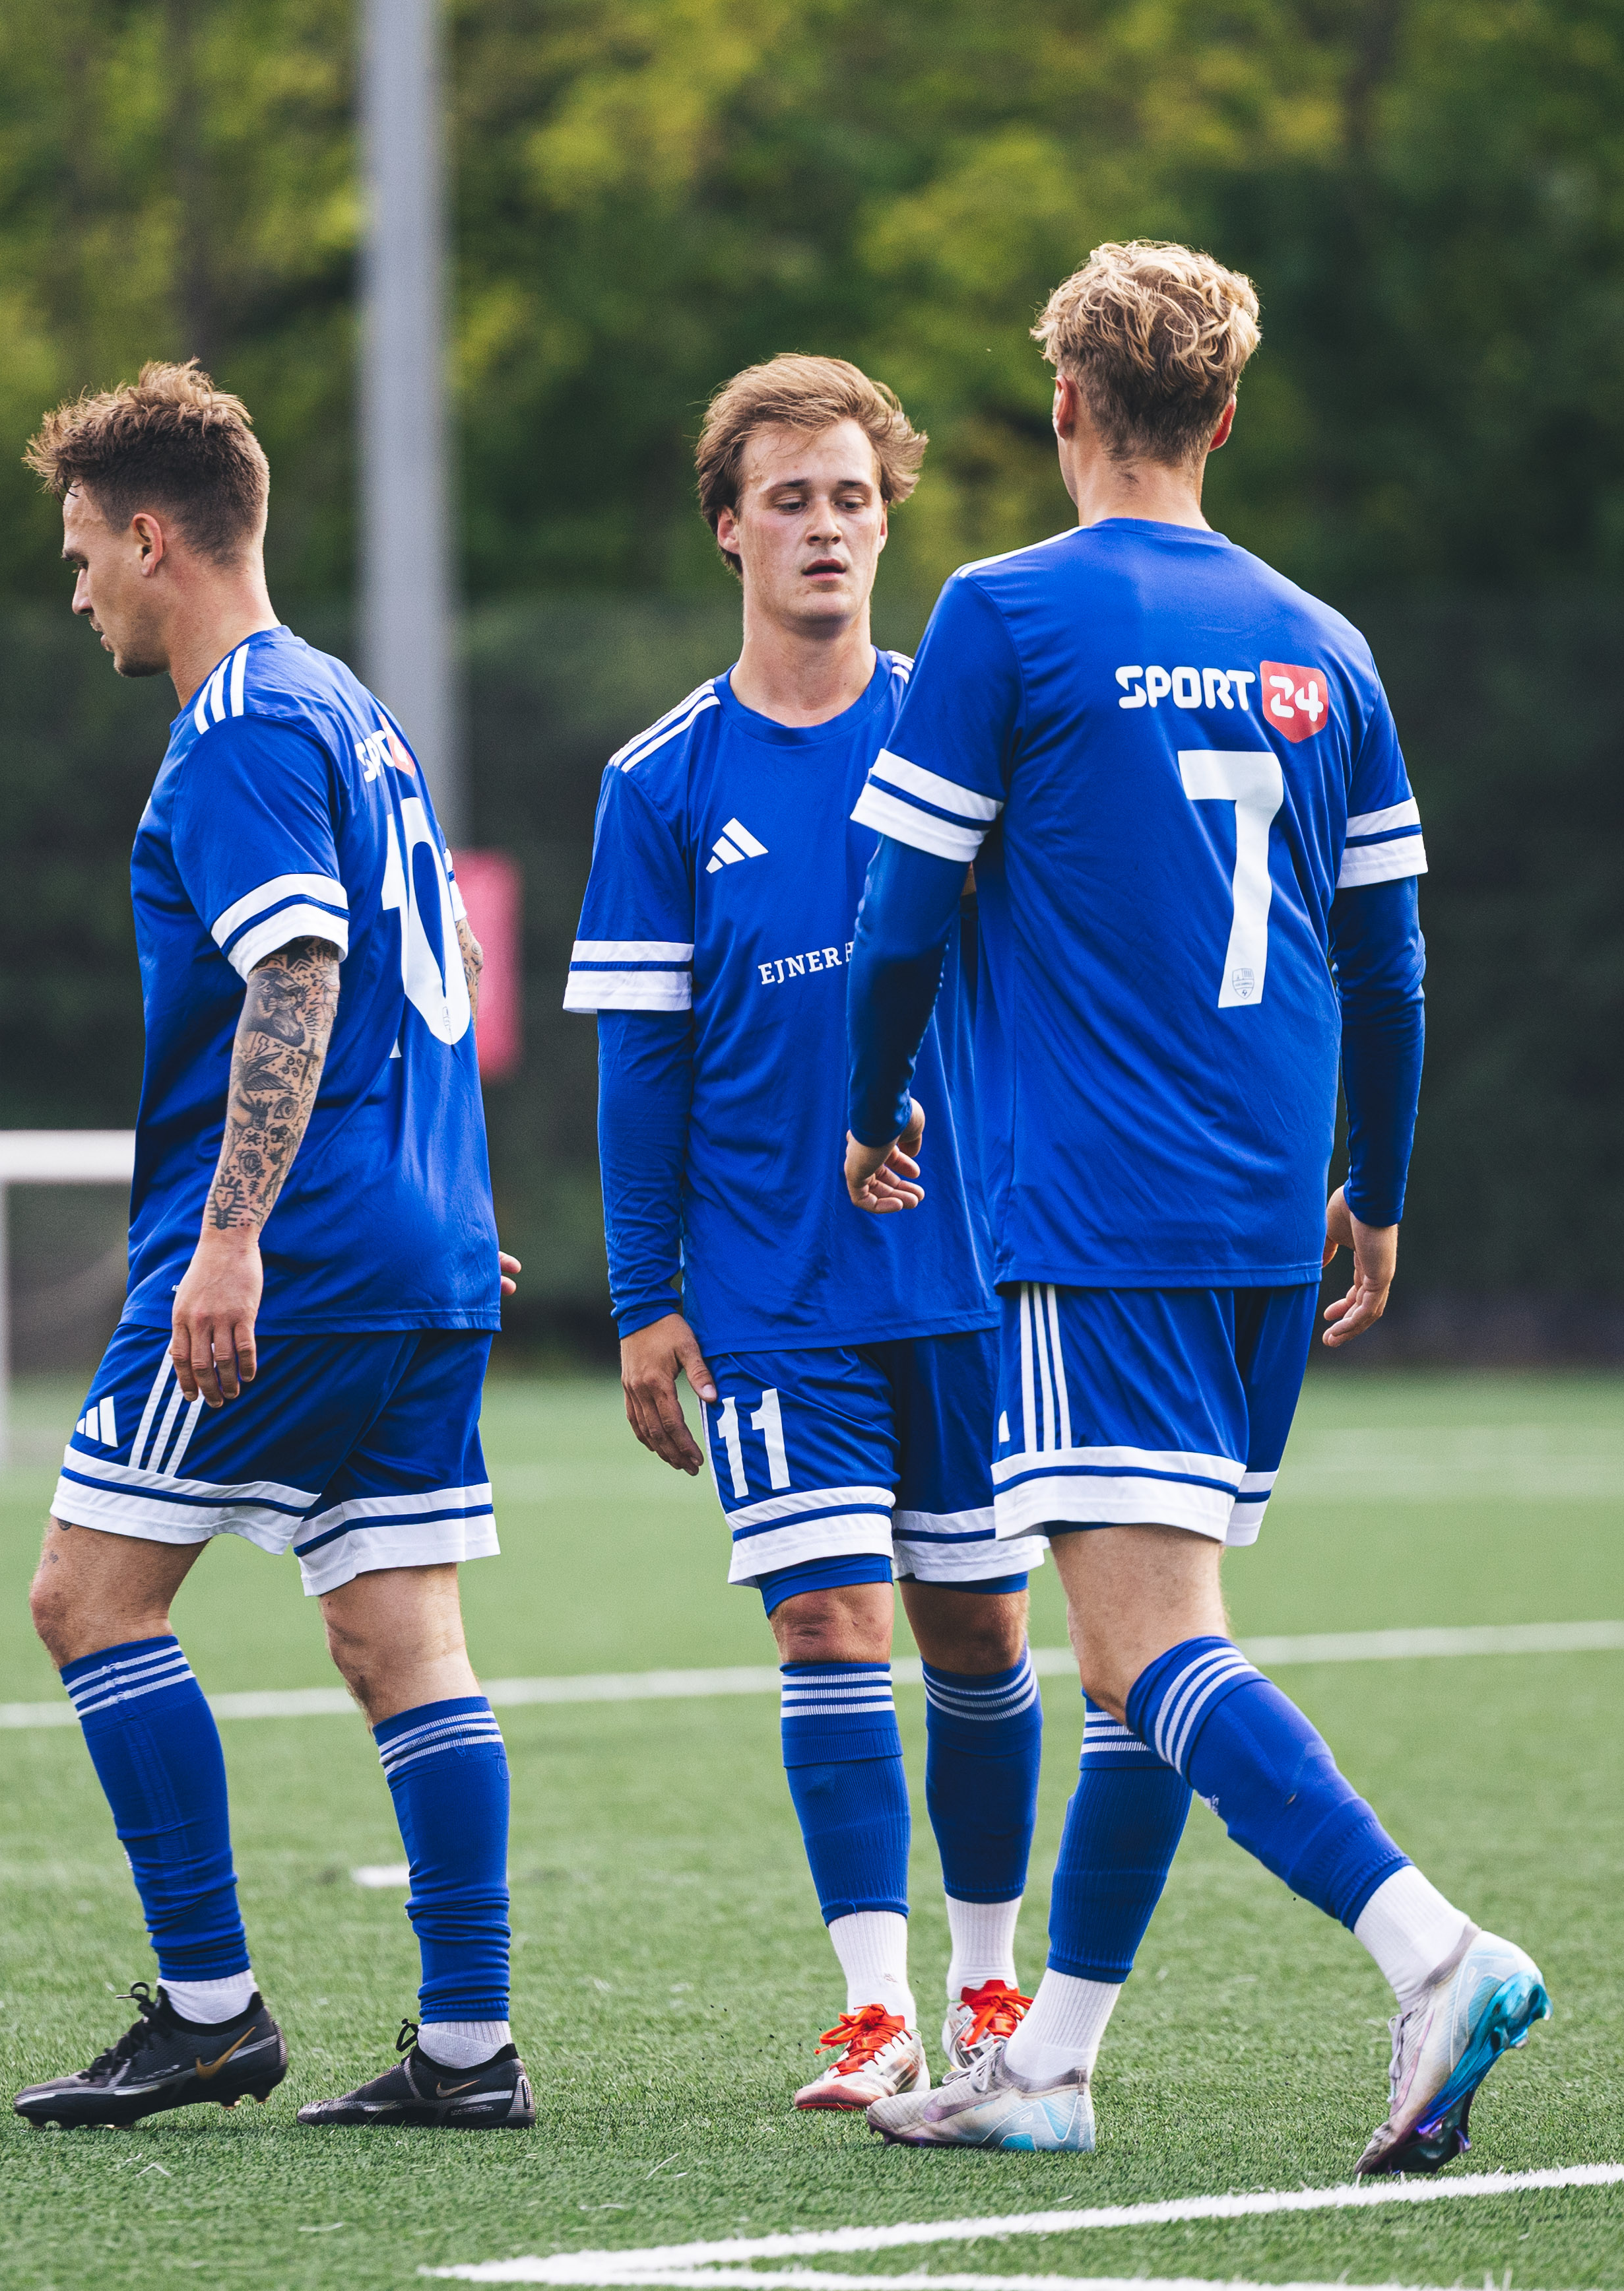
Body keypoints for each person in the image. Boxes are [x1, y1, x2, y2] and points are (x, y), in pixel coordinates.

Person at [839, 243, 1546, 2173]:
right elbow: (1389, 964)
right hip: (1261, 1211)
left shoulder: (998, 612)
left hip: (1097, 1207)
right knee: (1132, 1657)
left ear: (1062, 403)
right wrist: (1375, 1188)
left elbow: (898, 915)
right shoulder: (1323, 641)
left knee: (1148, 1648)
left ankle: (1432, 1951)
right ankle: (1047, 2066)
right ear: (1224, 414)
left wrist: (866, 1104)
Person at [7, 362, 531, 2132]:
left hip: (295, 1251)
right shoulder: (352, 711)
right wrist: (436, 1217)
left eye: (83, 551)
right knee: (400, 1635)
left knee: (87, 1599)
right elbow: (431, 980)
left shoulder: (236, 722)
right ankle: (466, 2048)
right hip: (415, 1249)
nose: (79, 588)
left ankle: (209, 2011)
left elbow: (297, 973)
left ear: (152, 537)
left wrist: (231, 1237)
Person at [565, 355, 1048, 2116]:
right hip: (770, 1289)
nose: (825, 528)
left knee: (974, 1632)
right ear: (728, 528)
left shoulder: (963, 735)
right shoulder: (658, 782)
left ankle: (988, 1991)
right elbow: (640, 1070)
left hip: (967, 1280)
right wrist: (643, 1297)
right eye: (789, 499)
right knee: (828, 1627)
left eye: (852, 497)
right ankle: (872, 2010)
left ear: (885, 520)